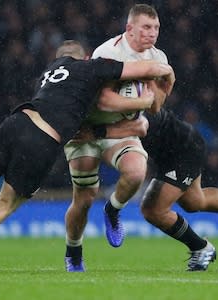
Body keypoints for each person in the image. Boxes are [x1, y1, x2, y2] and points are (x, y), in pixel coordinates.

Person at [0, 40, 175, 271]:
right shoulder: (91, 67)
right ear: (84, 56)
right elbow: (148, 69)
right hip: (42, 139)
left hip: (15, 122)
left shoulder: (48, 73)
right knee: (5, 204)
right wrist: (162, 77)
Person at [66, 108, 218, 272]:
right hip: (174, 150)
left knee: (153, 210)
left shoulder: (123, 100)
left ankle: (201, 248)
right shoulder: (114, 97)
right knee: (195, 201)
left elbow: (136, 127)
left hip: (183, 150)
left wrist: (94, 132)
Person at [63, 3, 170, 272]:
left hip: (122, 130)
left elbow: (155, 106)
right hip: (87, 130)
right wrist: (139, 102)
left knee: (136, 172)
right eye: (146, 27)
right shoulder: (108, 52)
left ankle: (113, 209)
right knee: (84, 199)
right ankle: (73, 250)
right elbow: (102, 101)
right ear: (129, 28)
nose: (152, 33)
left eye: (156, 28)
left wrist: (165, 83)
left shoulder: (158, 57)